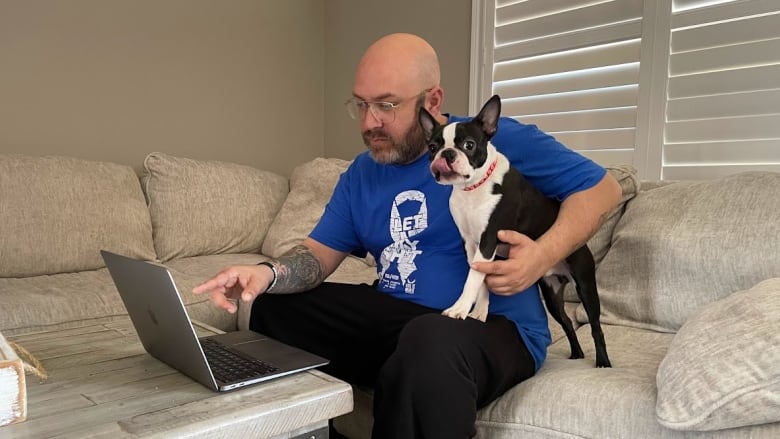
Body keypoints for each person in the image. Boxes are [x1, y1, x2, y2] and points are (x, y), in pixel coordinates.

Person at [193, 33, 621, 439]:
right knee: (272, 307)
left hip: (493, 327)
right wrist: (266, 274)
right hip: (400, 319)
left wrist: (542, 256)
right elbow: (317, 256)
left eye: (386, 105)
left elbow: (604, 189)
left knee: (431, 340)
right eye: (360, 105)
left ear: (432, 102)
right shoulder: (361, 173)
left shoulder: (488, 140)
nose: (369, 121)